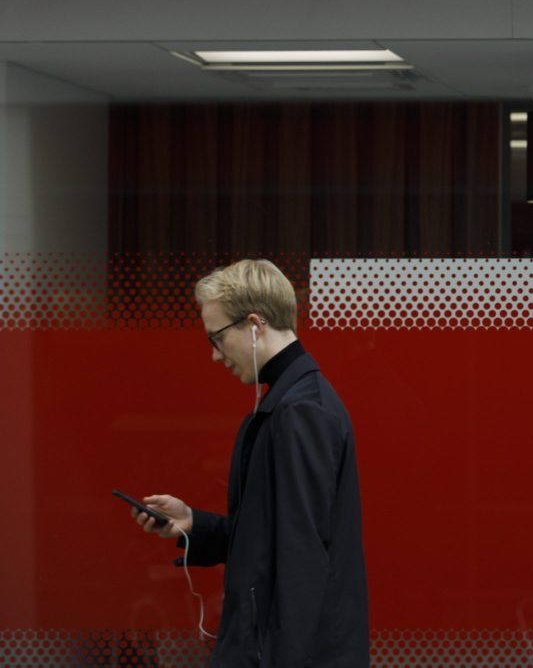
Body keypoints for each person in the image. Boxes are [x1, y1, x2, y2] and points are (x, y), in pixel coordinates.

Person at [128, 259, 368, 666]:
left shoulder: (300, 411)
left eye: (217, 338)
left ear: (255, 325)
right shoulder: (291, 403)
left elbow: (301, 558)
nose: (215, 356)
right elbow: (271, 540)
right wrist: (192, 524)